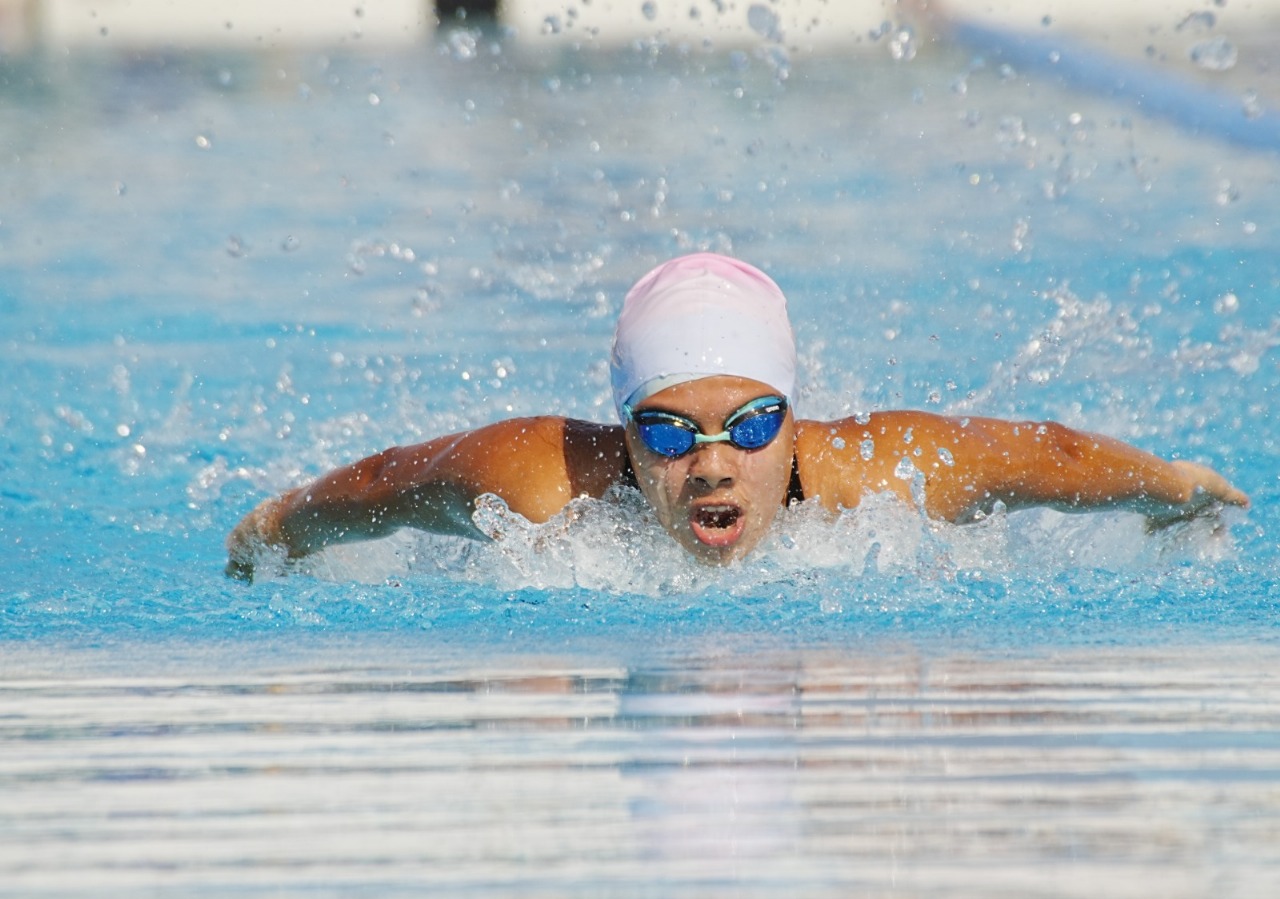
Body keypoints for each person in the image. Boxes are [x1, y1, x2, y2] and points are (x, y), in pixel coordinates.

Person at [226, 253, 1249, 580]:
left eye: (752, 425)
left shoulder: (880, 475)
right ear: (624, 431)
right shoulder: (537, 482)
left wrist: (1175, 489)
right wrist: (277, 526)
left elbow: (1044, 456)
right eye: (669, 433)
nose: (712, 464)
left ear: (794, 421)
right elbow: (387, 482)